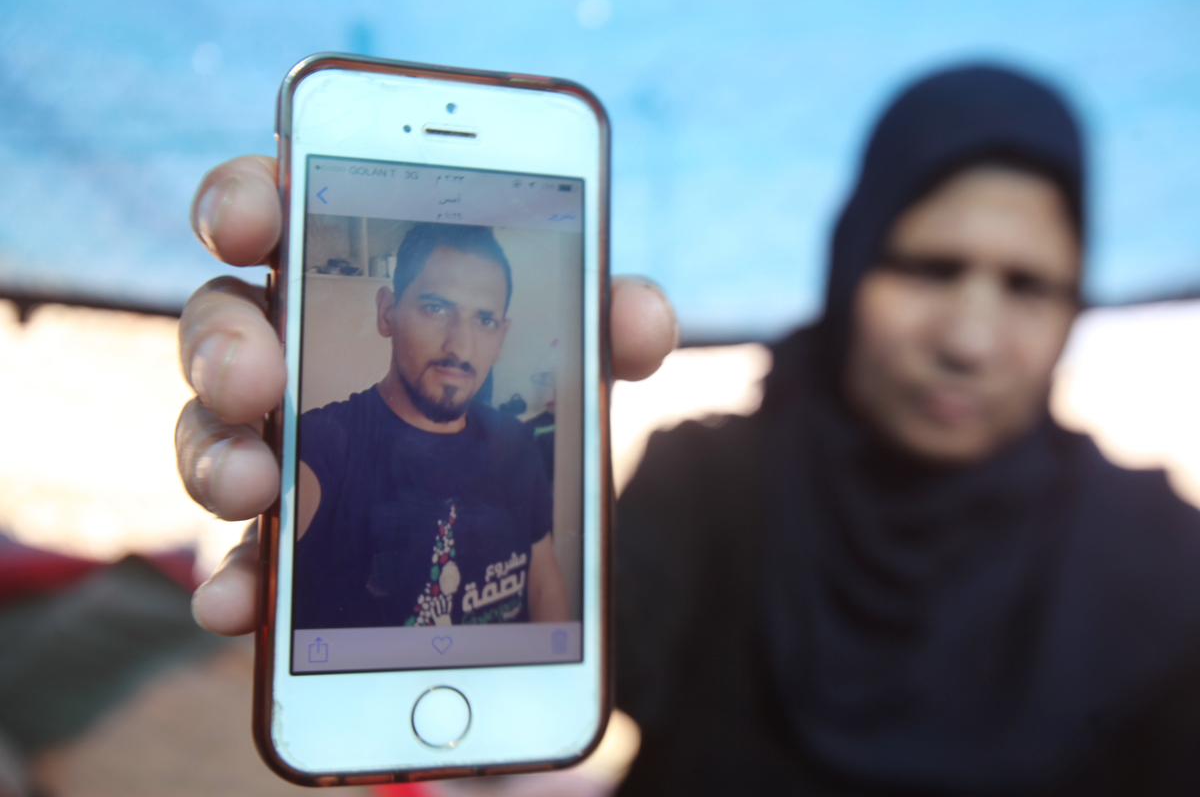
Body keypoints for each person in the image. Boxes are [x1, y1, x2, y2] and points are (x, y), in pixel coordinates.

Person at [174, 64, 1200, 793]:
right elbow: (516, 699)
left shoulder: (1164, 560)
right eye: (929, 267)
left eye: (1028, 285)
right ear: (851, 261)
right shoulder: (707, 484)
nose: (971, 339)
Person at [293, 222, 566, 628]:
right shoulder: (320, 448)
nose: (460, 347)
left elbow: (543, 585)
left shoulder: (517, 443)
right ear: (386, 312)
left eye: (485, 320)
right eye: (436, 308)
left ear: (502, 336)